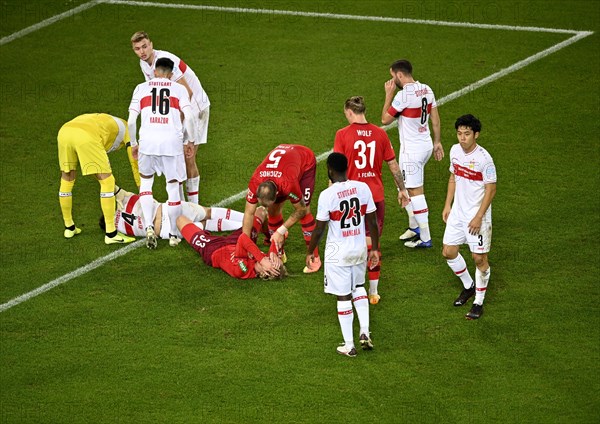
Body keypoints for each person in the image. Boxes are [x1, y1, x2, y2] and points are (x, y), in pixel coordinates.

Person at [334, 96, 410, 305]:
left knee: (349, 241)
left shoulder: (342, 134)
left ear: (349, 112)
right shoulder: (380, 134)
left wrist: (331, 194)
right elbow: (393, 165)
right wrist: (402, 190)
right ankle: (373, 292)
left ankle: (351, 287)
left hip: (350, 199)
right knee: (372, 244)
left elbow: (337, 168)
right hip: (374, 198)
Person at [305, 152, 380, 357]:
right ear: (347, 167)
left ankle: (350, 345)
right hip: (359, 249)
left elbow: (319, 229)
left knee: (343, 295)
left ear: (329, 170)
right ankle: (364, 331)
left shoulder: (327, 195)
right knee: (359, 287)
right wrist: (374, 248)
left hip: (338, 252)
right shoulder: (362, 188)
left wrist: (311, 251)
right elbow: (372, 222)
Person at [131, 31, 210, 204]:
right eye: (137, 49)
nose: (142, 51)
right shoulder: (144, 64)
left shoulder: (166, 61)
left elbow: (187, 93)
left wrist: (177, 123)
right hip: (178, 108)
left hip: (195, 108)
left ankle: (193, 207)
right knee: (177, 157)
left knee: (187, 157)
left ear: (151, 44)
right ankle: (181, 205)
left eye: (145, 46)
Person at [127, 57, 196, 249]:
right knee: (173, 188)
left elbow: (132, 121)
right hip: (171, 145)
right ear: (171, 74)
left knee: (146, 183)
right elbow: (189, 117)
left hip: (147, 144)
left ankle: (149, 226)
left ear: (155, 72)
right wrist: (189, 140)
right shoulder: (179, 89)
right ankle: (174, 234)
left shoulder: (141, 88)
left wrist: (134, 143)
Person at [381, 59, 444, 248]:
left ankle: (425, 238)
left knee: (415, 192)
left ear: (400, 75)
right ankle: (413, 226)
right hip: (424, 145)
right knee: (400, 181)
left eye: (393, 76)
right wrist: (437, 142)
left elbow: (384, 119)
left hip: (412, 151)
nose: (392, 80)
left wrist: (388, 95)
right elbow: (436, 119)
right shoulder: (426, 88)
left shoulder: (403, 96)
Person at [442, 114, 496, 320]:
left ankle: (478, 303)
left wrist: (478, 217)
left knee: (479, 258)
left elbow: (491, 189)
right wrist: (448, 204)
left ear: (476, 135)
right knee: (448, 252)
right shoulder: (455, 151)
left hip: (476, 216)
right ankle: (469, 285)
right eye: (459, 133)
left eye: (467, 134)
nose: (462, 138)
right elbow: (453, 177)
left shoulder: (484, 159)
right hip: (457, 213)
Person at [57, 113, 139, 244]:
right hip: (86, 136)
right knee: (107, 181)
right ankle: (111, 234)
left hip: (64, 132)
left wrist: (117, 191)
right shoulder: (129, 132)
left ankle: (69, 227)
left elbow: (92, 168)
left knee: (67, 177)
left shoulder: (106, 123)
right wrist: (143, 191)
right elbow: (134, 161)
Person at [239, 144, 321, 273]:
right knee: (273, 211)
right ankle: (279, 252)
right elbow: (249, 213)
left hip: (305, 161)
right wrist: (246, 246)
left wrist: (281, 230)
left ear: (277, 194)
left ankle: (314, 257)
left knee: (306, 212)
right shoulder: (255, 181)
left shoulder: (288, 183)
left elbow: (301, 210)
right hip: (283, 164)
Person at [100, 186, 245, 242]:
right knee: (208, 212)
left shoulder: (119, 229)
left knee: (205, 225)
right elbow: (112, 186)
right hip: (169, 209)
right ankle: (247, 220)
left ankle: (246, 226)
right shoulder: (127, 200)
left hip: (167, 232)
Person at [178, 207, 286, 280]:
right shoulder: (265, 261)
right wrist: (275, 253)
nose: (270, 258)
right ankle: (266, 236)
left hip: (214, 249)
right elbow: (282, 234)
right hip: (236, 242)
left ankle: (204, 225)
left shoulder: (242, 269)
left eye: (271, 262)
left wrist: (262, 259)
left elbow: (243, 238)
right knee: (261, 211)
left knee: (180, 219)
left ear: (265, 272)